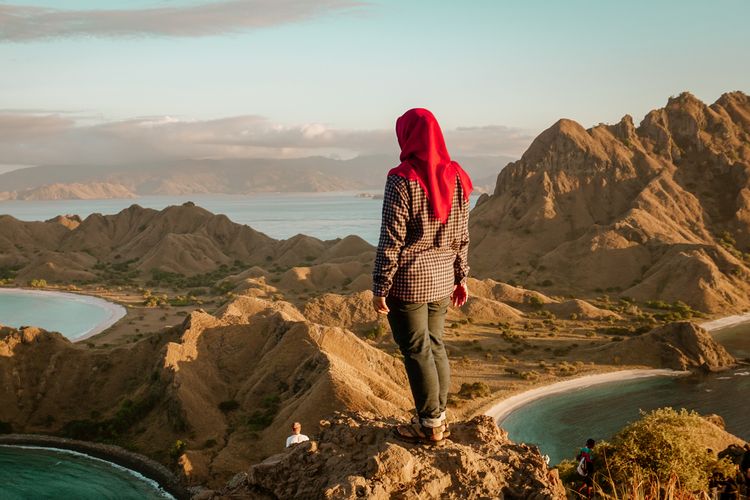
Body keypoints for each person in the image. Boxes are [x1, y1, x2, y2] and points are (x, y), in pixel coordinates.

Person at [371, 108, 472, 444]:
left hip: (409, 281)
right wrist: (461, 277)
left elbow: (391, 239)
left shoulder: (401, 179)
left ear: (407, 136)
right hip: (443, 278)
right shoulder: (456, 176)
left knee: (416, 350)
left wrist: (379, 286)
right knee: (435, 345)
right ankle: (437, 414)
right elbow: (462, 234)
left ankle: (430, 424)